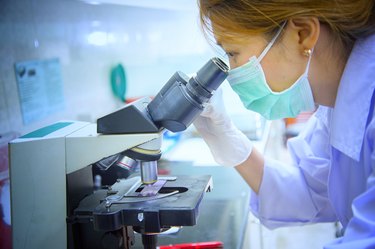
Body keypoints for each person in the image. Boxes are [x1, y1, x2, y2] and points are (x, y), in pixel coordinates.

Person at [193, 1, 375, 248]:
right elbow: (312, 192)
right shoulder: (335, 103)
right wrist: (231, 144)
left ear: (303, 34)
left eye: (233, 53)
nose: (232, 71)